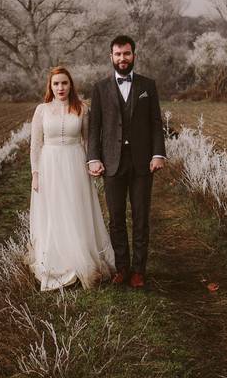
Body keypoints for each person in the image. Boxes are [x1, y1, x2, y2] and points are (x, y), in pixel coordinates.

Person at [86, 35, 166, 289]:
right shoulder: (99, 88)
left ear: (134, 55)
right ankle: (122, 267)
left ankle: (139, 270)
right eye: (118, 54)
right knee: (117, 217)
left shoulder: (147, 86)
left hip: (143, 163)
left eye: (127, 54)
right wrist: (94, 158)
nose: (123, 58)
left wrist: (158, 154)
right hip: (112, 163)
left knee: (141, 217)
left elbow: (156, 122)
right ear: (111, 57)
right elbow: (95, 127)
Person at [27, 66, 115, 291]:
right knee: (54, 212)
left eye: (64, 83)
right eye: (56, 84)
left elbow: (88, 142)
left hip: (75, 163)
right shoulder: (42, 110)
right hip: (50, 165)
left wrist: (92, 165)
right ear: (50, 87)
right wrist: (35, 174)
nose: (60, 88)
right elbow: (36, 145)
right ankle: (57, 263)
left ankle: (81, 261)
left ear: (71, 85)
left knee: (76, 210)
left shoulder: (82, 109)